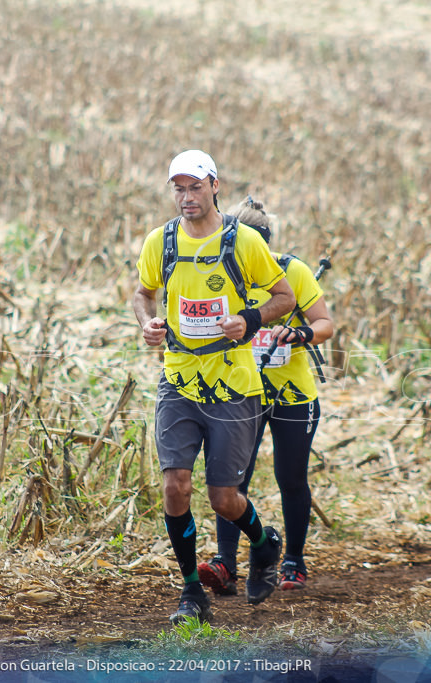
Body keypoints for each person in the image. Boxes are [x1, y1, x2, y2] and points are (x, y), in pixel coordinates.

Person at [133, 150, 296, 624]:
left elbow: (283, 297)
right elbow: (142, 293)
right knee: (174, 486)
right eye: (178, 188)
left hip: (233, 384)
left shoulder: (243, 241)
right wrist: (148, 324)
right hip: (180, 380)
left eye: (195, 187)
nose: (187, 197)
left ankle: (265, 545)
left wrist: (248, 319)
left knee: (224, 498)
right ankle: (190, 594)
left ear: (214, 186)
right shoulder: (159, 242)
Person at [197, 197, 334, 596]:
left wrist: (302, 333)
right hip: (240, 393)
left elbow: (325, 323)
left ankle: (294, 562)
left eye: (254, 248)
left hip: (293, 396)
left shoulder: (293, 272)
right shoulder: (220, 271)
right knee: (231, 480)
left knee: (291, 478)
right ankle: (225, 563)